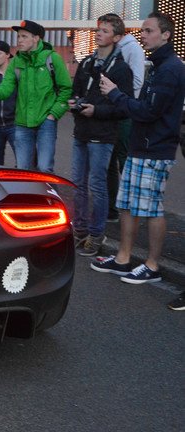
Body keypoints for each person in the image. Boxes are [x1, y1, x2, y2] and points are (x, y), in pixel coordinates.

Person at [91, 12, 185, 286]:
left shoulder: (171, 68)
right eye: (143, 30)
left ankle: (153, 265)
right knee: (128, 206)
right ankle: (122, 259)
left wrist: (116, 94)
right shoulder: (159, 64)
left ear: (166, 35)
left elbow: (149, 111)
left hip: (155, 148)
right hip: (141, 145)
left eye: (148, 30)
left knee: (151, 209)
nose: (142, 34)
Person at [69, 14, 133, 257]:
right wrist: (74, 103)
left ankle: (97, 235)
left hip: (102, 135)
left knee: (98, 186)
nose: (98, 34)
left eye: (104, 31)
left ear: (116, 38)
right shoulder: (86, 62)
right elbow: (76, 91)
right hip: (81, 133)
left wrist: (97, 110)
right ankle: (80, 232)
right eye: (98, 30)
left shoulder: (121, 69)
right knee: (78, 185)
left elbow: (124, 106)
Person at [0, 20, 72, 173]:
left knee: (44, 168)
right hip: (22, 124)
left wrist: (53, 115)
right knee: (23, 170)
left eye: (24, 36)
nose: (19, 40)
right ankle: (27, 197)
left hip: (46, 122)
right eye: (18, 37)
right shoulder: (16, 62)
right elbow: (5, 90)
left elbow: (66, 89)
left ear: (36, 38)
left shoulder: (52, 58)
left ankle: (47, 196)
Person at [106, 17, 147, 223]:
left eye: (105, 30)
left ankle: (130, 208)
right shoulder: (113, 50)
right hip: (112, 110)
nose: (100, 34)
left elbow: (137, 81)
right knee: (111, 160)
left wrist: (118, 97)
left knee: (123, 158)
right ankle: (114, 207)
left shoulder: (132, 49)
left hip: (124, 111)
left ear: (117, 33)